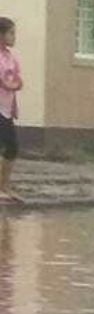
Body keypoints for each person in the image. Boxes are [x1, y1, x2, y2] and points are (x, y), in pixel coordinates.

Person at [0, 17, 22, 202]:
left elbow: (17, 80)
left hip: (6, 108)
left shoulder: (10, 57)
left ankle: (4, 186)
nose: (14, 37)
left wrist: (15, 84)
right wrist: (7, 84)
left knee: (12, 148)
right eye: (11, 33)